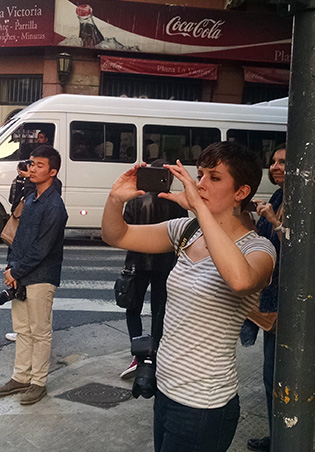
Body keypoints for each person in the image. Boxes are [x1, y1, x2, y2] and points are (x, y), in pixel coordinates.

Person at [102, 142, 275, 452]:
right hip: (166, 391)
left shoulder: (258, 249)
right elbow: (117, 235)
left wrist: (198, 208)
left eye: (215, 178)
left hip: (203, 405)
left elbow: (240, 280)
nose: (201, 184)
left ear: (241, 192)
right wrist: (115, 198)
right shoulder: (186, 230)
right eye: (200, 175)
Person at [0, 145, 67, 406]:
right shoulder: (31, 198)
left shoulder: (55, 207)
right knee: (22, 330)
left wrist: (16, 270)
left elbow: (42, 249)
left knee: (40, 331)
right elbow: (18, 237)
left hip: (41, 277)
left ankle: (38, 382)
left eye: (39, 165)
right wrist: (10, 268)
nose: (32, 168)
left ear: (53, 172)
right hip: (21, 274)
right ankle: (20, 377)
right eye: (31, 164)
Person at [119, 160, 187, 379]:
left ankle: (138, 354)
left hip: (136, 262)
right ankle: (155, 352)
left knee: (133, 308)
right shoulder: (176, 203)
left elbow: (124, 229)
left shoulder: (136, 201)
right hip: (165, 264)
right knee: (160, 308)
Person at [240, 145, 286, 452]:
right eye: (273, 162)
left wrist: (274, 220)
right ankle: (278, 436)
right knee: (272, 375)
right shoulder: (279, 196)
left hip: (285, 300)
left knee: (277, 374)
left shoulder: (306, 199)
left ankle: (282, 439)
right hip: (273, 296)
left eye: (283, 162)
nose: (276, 166)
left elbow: (303, 248)